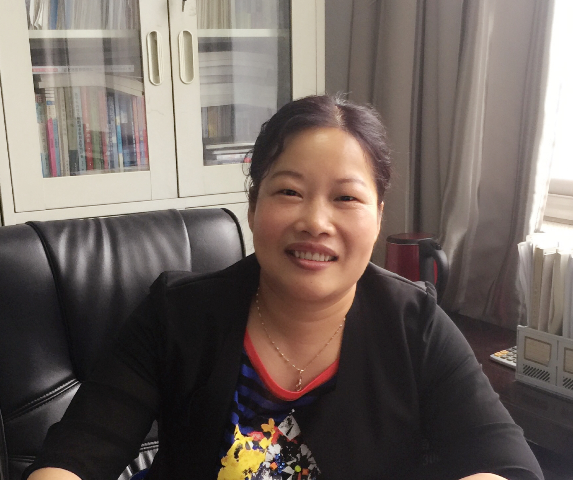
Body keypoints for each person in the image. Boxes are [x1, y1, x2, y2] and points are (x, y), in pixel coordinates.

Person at [24, 95, 543, 480]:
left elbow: (505, 463)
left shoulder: (416, 328)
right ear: (253, 207)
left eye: (346, 198)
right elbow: (76, 454)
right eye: (290, 191)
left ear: (378, 217)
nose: (315, 222)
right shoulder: (176, 314)